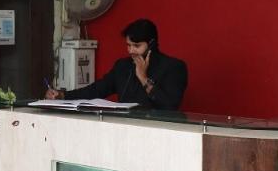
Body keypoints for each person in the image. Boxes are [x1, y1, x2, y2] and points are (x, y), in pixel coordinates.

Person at [46, 18, 187, 110]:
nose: (131, 51)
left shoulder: (174, 67)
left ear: (152, 44)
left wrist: (144, 79)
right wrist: (63, 95)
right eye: (128, 45)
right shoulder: (123, 66)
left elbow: (170, 104)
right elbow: (97, 89)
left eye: (136, 46)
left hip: (158, 135)